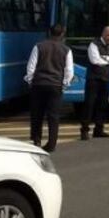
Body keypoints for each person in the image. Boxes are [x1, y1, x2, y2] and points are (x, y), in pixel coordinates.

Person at [25, 24, 74, 153]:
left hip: (39, 84)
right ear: (62, 34)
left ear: (49, 32)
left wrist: (31, 81)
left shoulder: (39, 46)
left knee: (37, 114)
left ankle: (36, 139)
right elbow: (69, 71)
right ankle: (51, 143)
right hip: (56, 85)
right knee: (53, 116)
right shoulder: (66, 50)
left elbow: (31, 67)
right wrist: (64, 85)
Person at [81, 26, 109, 140]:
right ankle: (84, 130)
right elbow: (95, 60)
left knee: (103, 104)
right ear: (103, 34)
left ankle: (99, 130)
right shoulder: (94, 44)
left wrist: (104, 58)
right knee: (89, 104)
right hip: (93, 79)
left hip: (106, 78)